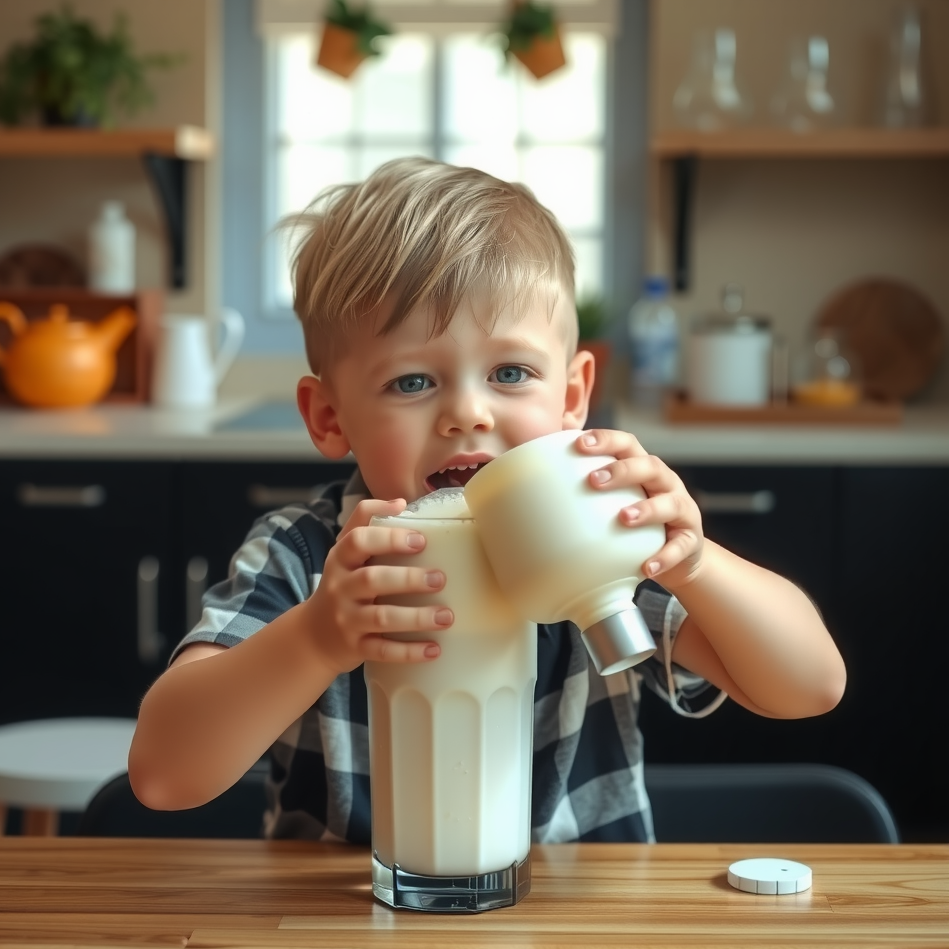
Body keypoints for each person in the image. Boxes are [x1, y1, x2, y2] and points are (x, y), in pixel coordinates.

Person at [129, 158, 845, 842]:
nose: (467, 413)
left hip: (577, 934)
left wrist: (692, 563)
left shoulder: (600, 534)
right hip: (347, 930)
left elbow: (811, 687)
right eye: (411, 382)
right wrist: (317, 635)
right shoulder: (305, 557)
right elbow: (164, 776)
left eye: (509, 372)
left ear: (571, 398)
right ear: (328, 418)